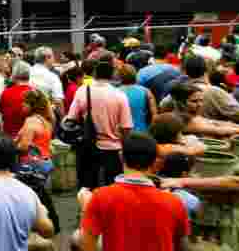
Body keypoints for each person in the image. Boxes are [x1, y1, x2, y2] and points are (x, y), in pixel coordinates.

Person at [66, 59, 134, 188]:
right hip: (113, 149)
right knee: (113, 188)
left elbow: (71, 117)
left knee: (88, 187)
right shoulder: (120, 95)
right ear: (112, 75)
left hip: (87, 146)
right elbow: (126, 127)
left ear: (95, 74)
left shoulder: (82, 91)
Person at [161, 55, 239, 126]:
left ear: (185, 72)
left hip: (186, 136)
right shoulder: (215, 91)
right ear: (206, 71)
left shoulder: (179, 90)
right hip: (212, 138)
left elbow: (163, 107)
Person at [16, 89, 54, 175]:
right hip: (46, 163)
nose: (22, 104)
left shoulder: (31, 121)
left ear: (32, 105)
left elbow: (24, 146)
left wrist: (11, 146)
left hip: (31, 166)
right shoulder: (46, 121)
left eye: (24, 102)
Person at [117, 63, 157, 133]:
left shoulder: (115, 92)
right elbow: (154, 116)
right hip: (142, 131)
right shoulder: (146, 91)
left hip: (122, 132)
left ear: (120, 76)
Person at [29, 46, 65, 115]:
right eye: (53, 56)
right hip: (45, 116)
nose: (54, 59)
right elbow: (58, 102)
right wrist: (63, 119)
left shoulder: (27, 72)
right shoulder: (52, 77)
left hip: (27, 116)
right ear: (47, 58)